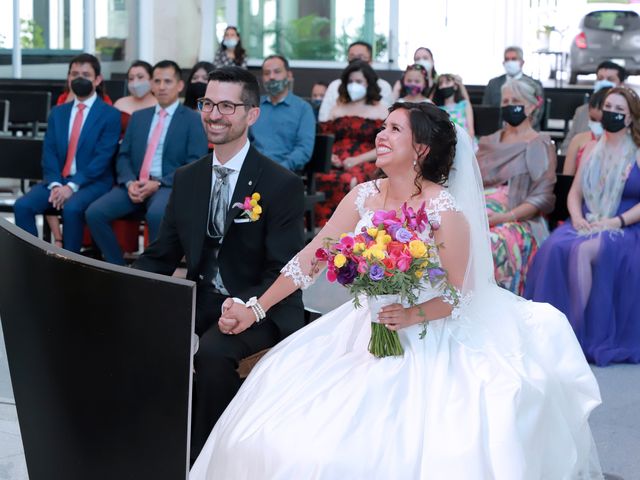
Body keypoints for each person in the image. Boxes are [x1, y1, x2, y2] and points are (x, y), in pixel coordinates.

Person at [189, 103, 602, 479]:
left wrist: (411, 315)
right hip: (363, 327)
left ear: (421, 149)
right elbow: (312, 258)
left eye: (393, 130)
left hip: (428, 333)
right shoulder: (363, 195)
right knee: (280, 426)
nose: (379, 136)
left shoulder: (444, 210)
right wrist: (255, 309)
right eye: (382, 127)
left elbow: (461, 294)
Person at [132, 66, 306, 462]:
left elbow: (282, 268)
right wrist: (120, 288)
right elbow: (162, 256)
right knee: (135, 335)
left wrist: (245, 305)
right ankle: (149, 446)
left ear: (252, 114)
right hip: (202, 297)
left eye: (227, 105)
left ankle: (206, 459)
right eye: (208, 103)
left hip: (262, 304)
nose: (213, 114)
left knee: (212, 356)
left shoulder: (281, 184)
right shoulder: (188, 177)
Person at [525, 87, 640, 367]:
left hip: (624, 225)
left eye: (619, 109)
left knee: (582, 252)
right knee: (553, 246)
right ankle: (550, 333)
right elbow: (574, 194)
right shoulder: (590, 148)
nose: (611, 112)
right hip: (587, 219)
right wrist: (576, 218)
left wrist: (615, 221)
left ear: (630, 118)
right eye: (608, 106)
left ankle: (573, 334)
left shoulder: (637, 152)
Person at [86, 60, 208, 265]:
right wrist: (128, 182)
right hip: (135, 183)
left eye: (167, 81)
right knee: (94, 213)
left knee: (157, 214)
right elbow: (123, 155)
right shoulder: (139, 117)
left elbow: (196, 161)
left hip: (168, 185)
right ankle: (120, 268)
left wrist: (159, 183)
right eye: (157, 81)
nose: (161, 87)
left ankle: (154, 272)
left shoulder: (192, 119)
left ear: (179, 86)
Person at [14, 53, 121, 253]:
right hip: (57, 181)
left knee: (72, 209)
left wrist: (71, 186)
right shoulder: (58, 112)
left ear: (97, 80)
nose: (79, 78)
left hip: (92, 181)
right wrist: (55, 184)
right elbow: (50, 152)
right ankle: (32, 261)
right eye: (74, 74)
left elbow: (102, 158)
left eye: (85, 74)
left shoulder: (110, 114)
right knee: (23, 206)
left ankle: (70, 265)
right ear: (68, 78)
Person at [476, 77, 556, 295]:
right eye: (505, 100)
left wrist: (504, 217)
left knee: (488, 244)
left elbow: (541, 197)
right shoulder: (488, 142)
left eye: (516, 100)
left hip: (517, 219)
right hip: (478, 211)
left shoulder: (539, 143)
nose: (509, 105)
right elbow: (471, 181)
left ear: (531, 106)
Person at [316, 60, 388, 225]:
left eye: (358, 81)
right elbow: (326, 137)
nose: (353, 85)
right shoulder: (337, 107)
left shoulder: (381, 110)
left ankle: (353, 229)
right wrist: (331, 155)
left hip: (367, 161)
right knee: (321, 178)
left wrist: (357, 160)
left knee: (354, 181)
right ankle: (323, 230)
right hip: (336, 162)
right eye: (350, 81)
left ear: (368, 83)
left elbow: (384, 145)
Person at [249, 55, 315, 171]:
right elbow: (242, 141)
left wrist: (281, 169)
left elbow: (304, 149)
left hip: (285, 173)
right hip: (252, 170)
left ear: (289, 75)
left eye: (277, 72)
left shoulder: (303, 109)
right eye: (267, 73)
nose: (272, 77)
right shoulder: (253, 106)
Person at [317, 41, 394, 122]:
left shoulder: (383, 86)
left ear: (370, 61)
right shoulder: (335, 86)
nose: (356, 61)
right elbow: (324, 118)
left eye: (361, 57)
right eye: (352, 57)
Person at [561, 61, 626, 153]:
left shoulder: (627, 113)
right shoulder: (582, 111)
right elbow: (567, 145)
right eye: (600, 78)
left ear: (621, 85)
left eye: (610, 79)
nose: (604, 83)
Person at [482, 46, 545, 130]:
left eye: (514, 59)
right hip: (498, 132)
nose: (510, 62)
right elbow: (486, 110)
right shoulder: (493, 84)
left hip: (528, 132)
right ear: (503, 63)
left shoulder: (534, 84)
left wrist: (521, 130)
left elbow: (538, 113)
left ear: (522, 62)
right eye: (507, 59)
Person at [563, 87, 609, 175]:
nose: (598, 124)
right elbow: (567, 178)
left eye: (602, 121)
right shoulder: (578, 140)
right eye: (593, 119)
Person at [113, 60, 158, 131]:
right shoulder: (120, 103)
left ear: (152, 80)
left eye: (140, 77)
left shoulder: (160, 104)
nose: (135, 82)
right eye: (131, 78)